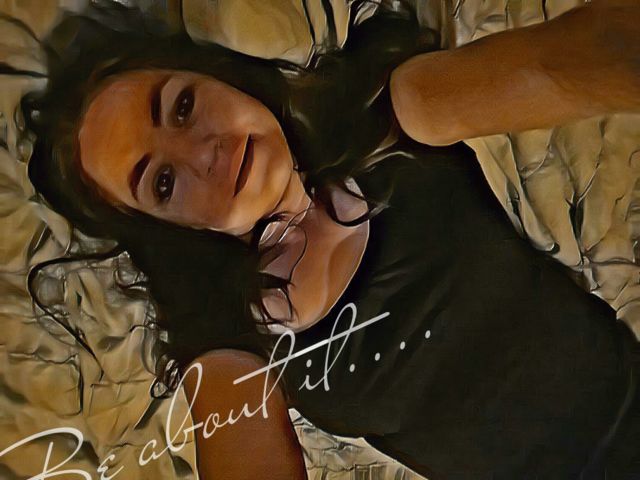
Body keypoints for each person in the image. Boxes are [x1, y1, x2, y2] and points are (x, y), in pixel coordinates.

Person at [24, 1, 640, 479]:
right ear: (167, 227)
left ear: (218, 76)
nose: (203, 153)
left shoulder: (386, 108)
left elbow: (579, 60)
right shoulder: (223, 331)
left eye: (183, 107)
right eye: (162, 181)